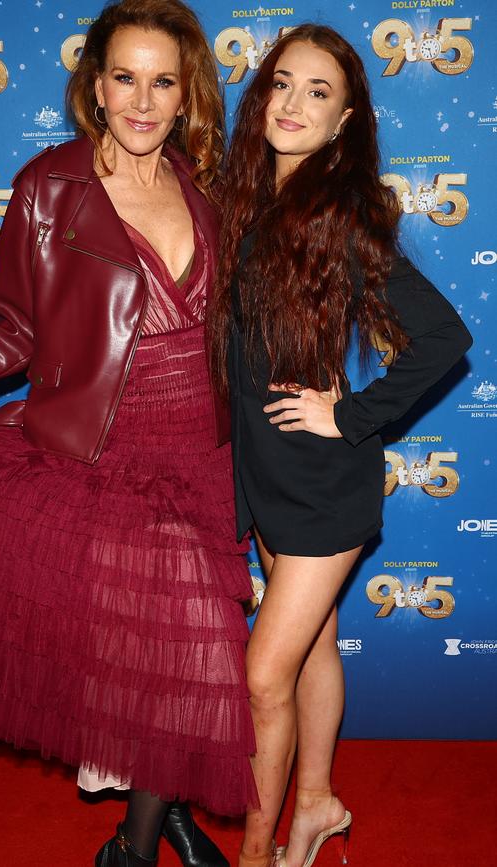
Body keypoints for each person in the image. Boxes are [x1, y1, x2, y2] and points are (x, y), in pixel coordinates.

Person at [0, 2, 259, 865]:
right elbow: (12, 334)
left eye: (162, 82)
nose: (142, 102)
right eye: (124, 78)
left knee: (176, 663)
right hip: (105, 455)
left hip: (203, 453)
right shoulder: (49, 186)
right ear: (94, 86)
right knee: (159, 653)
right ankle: (133, 848)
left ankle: (166, 808)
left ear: (185, 96)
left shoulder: (204, 184)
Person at [208, 24, 472, 867]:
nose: (292, 104)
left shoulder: (340, 212)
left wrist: (352, 416)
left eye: (318, 92)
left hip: (326, 486)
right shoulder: (244, 202)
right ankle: (316, 804)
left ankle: (256, 853)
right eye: (282, 84)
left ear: (347, 117)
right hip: (269, 478)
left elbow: (443, 336)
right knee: (314, 644)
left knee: (261, 678)